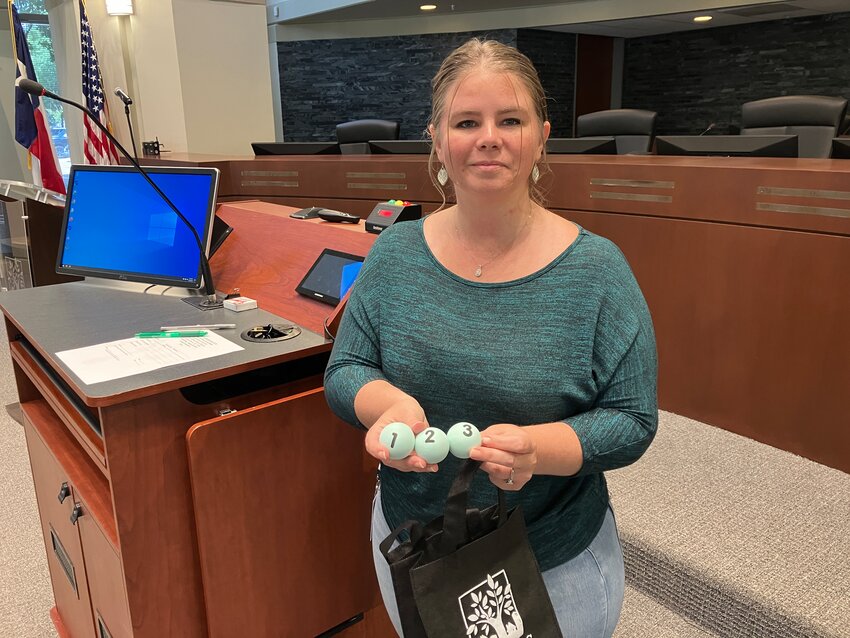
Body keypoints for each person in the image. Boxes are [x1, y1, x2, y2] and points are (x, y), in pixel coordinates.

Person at [324, 38, 657, 638]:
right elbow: (346, 368)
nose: (489, 137)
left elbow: (633, 420)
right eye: (466, 121)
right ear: (437, 138)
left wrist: (537, 449)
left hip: (546, 561)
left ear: (541, 135)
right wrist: (388, 406)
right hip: (414, 543)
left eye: (511, 119)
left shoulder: (598, 271)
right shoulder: (395, 254)